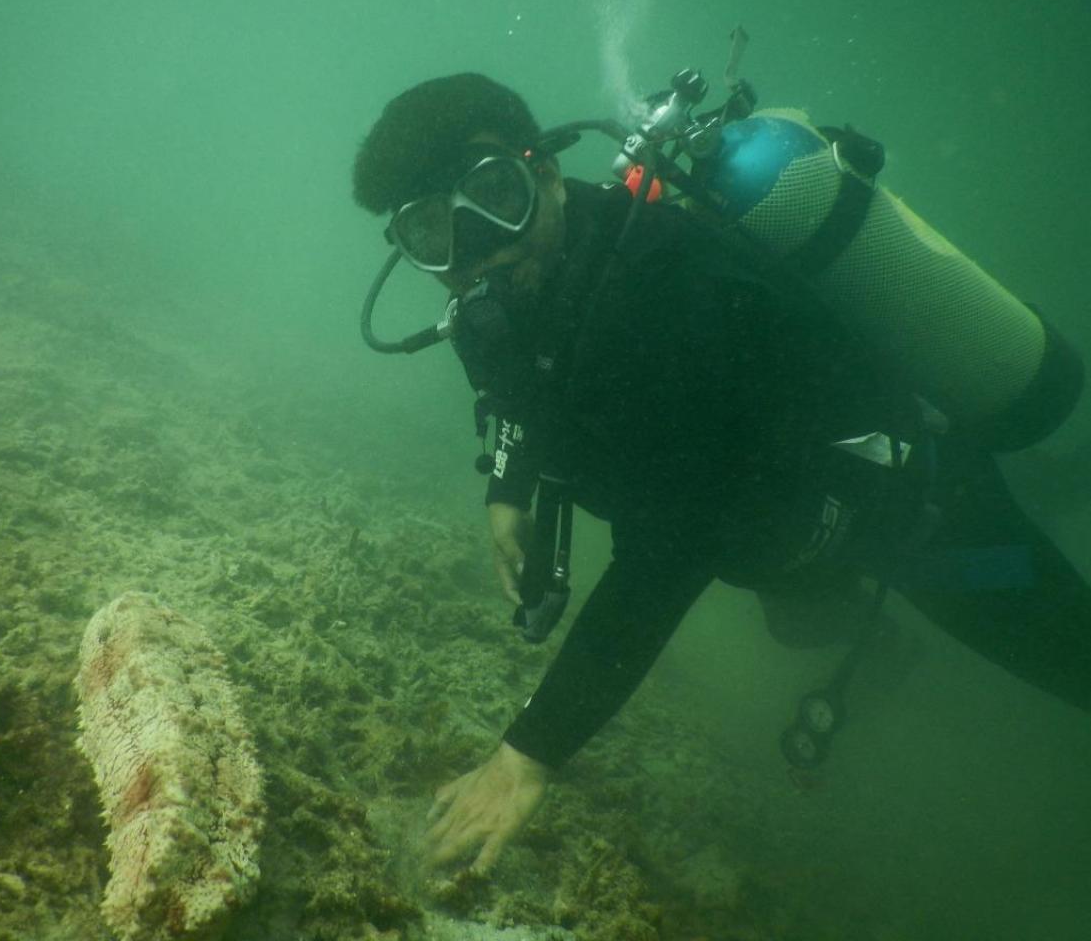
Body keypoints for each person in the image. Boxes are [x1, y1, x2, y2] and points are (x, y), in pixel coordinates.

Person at [350, 73, 1090, 874]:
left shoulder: (671, 289)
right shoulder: (494, 305)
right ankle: (1045, 494)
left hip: (924, 518)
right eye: (431, 231)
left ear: (549, 174)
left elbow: (669, 549)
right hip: (785, 531)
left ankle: (1045, 483)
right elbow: (516, 394)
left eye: (496, 194)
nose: (476, 246)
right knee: (800, 621)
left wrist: (527, 755)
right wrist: (507, 492)